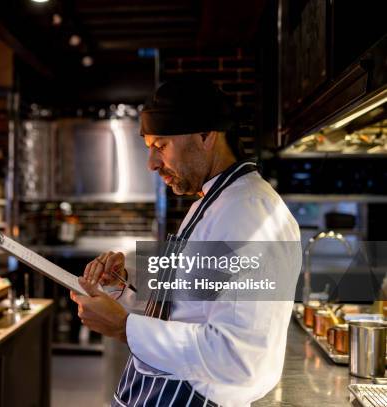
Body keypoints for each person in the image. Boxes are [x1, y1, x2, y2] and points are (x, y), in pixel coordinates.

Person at [70, 75, 302, 407]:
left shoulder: (249, 216)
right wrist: (124, 285)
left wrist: (124, 328)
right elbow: (185, 305)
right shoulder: (211, 202)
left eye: (160, 146)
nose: (151, 164)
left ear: (206, 136)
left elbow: (239, 359)